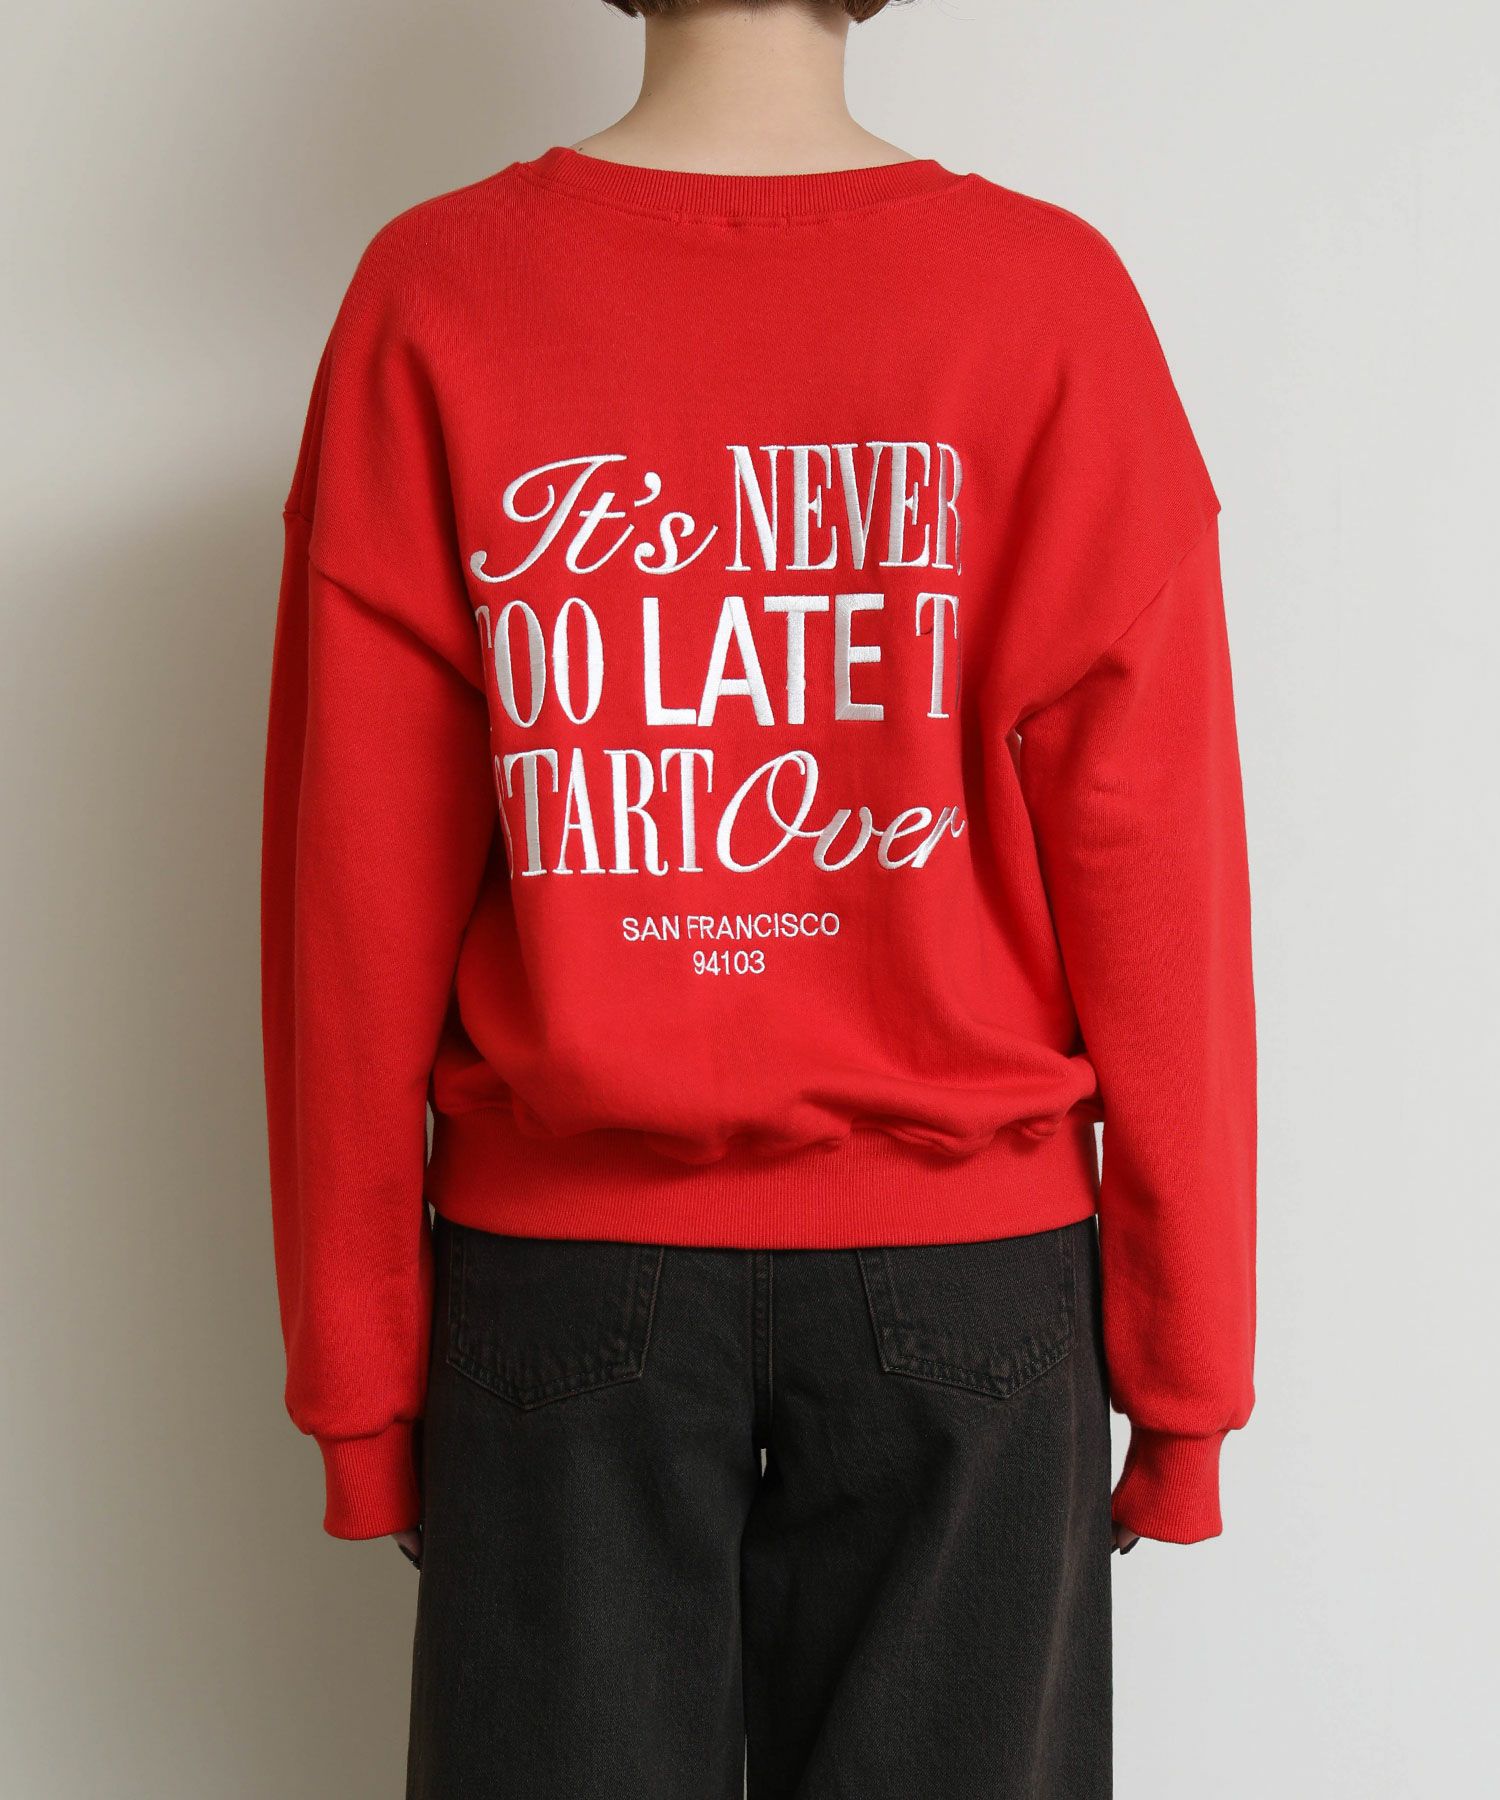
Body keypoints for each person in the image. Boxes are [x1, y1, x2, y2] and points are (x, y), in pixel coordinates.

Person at [259, 1, 1256, 1793]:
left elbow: (350, 891)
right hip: (968, 1289)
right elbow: (1157, 865)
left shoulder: (439, 292)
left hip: (562, 1287)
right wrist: (1186, 1380)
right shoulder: (1046, 301)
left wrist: (360, 1374)